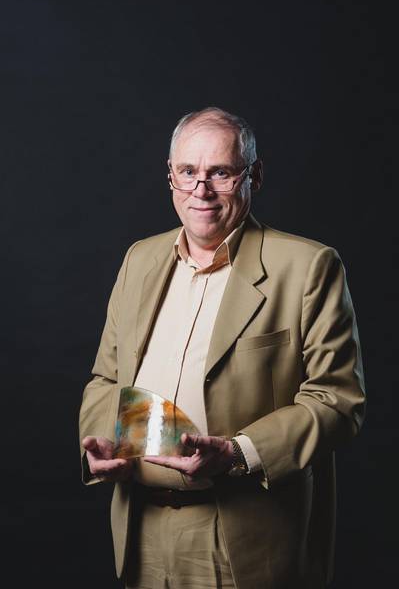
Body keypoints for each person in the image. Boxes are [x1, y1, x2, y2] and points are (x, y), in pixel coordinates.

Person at [79, 107, 366, 589]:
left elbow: (337, 401)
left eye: (220, 172)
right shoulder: (140, 258)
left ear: (253, 175)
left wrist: (236, 453)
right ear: (170, 177)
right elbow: (106, 379)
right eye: (187, 172)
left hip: (241, 536)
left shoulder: (309, 266)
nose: (201, 190)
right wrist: (102, 441)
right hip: (140, 529)